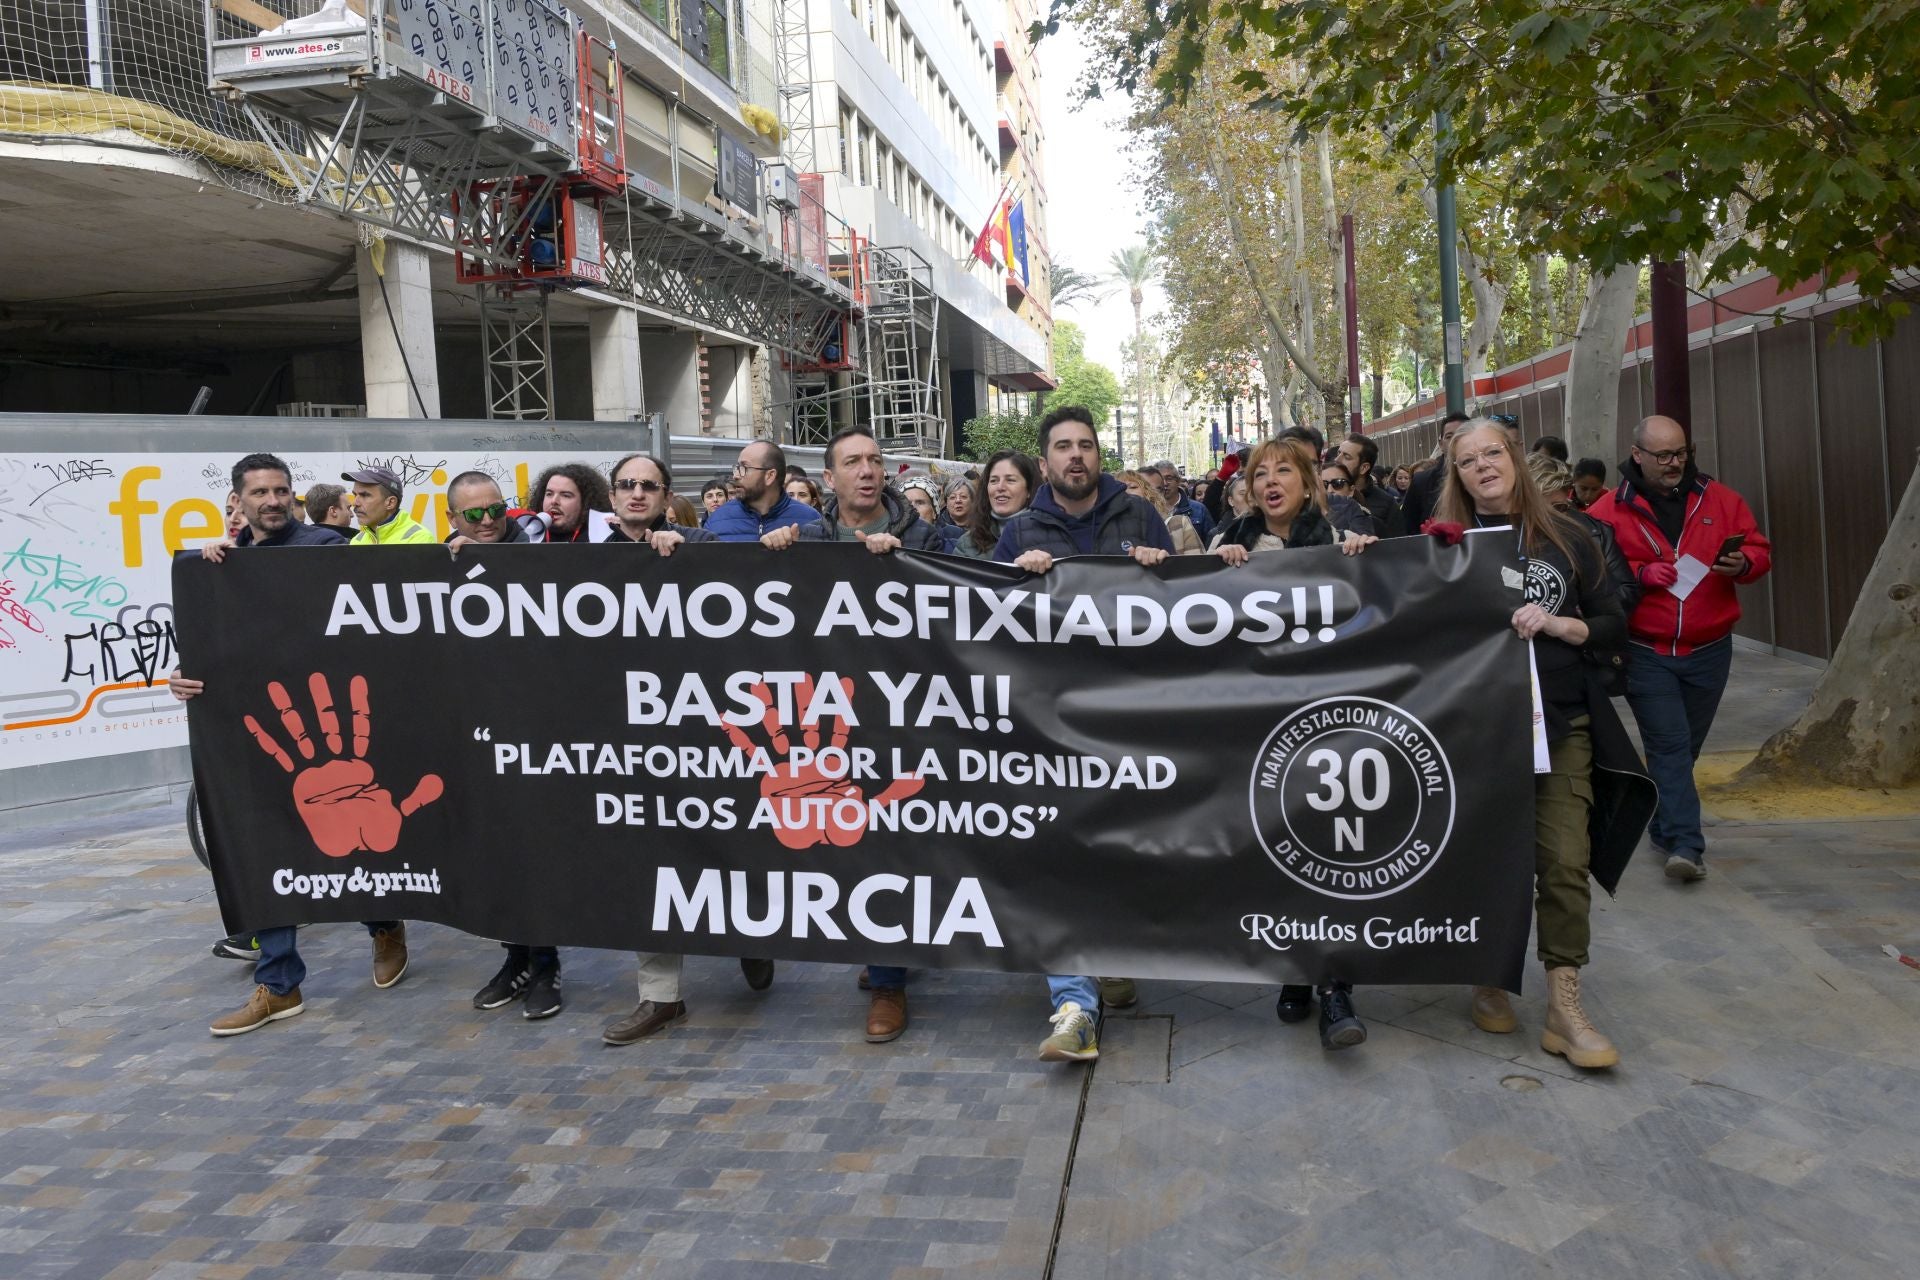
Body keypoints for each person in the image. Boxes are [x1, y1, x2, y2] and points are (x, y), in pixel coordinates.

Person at [1434, 419, 1654, 1070]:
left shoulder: (1575, 535)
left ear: (1515, 459)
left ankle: (1565, 1007)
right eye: (1468, 461)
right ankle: (1489, 976)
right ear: (1458, 476)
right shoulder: (1442, 546)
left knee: (1563, 859)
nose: (1482, 467)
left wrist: (1559, 623)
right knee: (1491, 861)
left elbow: (1614, 622)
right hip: (1478, 733)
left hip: (1563, 722)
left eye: (1492, 454)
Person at [169, 453, 411, 1037]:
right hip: (263, 731)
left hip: (328, 725)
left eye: (281, 491)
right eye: (260, 493)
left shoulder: (325, 547)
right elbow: (215, 645)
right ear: (238, 500)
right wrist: (187, 673)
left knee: (342, 844)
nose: (273, 501)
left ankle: (382, 921)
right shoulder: (222, 565)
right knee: (267, 850)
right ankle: (280, 985)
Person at [991, 405, 1176, 1064]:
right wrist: (1017, 580)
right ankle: (1074, 1003)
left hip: (1128, 714)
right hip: (1051, 721)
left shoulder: (1140, 516)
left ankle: (1113, 958)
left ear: (1099, 456)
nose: (1076, 456)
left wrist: (1162, 569)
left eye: (1086, 446)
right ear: (1045, 462)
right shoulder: (1018, 531)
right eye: (1063, 447)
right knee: (1060, 854)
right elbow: (987, 626)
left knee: (1122, 849)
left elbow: (1181, 613)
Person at [759, 429, 939, 1046]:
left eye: (875, 461)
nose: (867, 471)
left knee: (892, 839)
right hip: (827, 715)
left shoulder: (921, 537)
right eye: (852, 463)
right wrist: (766, 551)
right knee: (852, 841)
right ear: (828, 479)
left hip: (904, 710)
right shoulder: (806, 536)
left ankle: (891, 973)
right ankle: (883, 966)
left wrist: (902, 568)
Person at [597, 453, 777, 1044]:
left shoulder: (697, 542)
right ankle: (660, 996)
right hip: (631, 740)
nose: (637, 494)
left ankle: (751, 935)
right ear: (612, 496)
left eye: (649, 486)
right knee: (652, 861)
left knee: (727, 840)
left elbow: (755, 582)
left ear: (667, 495)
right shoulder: (578, 560)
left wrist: (693, 551)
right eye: (626, 485)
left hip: (710, 732)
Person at [1207, 437, 1379, 1050]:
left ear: (1309, 483)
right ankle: (1294, 972)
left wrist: (1366, 561)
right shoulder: (1228, 547)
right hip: (1253, 731)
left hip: (1322, 729)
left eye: (1284, 470)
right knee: (1276, 855)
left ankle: (1334, 986)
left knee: (1327, 855)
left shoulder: (1338, 546)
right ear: (1249, 488)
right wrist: (1211, 568)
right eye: (1260, 473)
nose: (1271, 481)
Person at [1584, 414, 1771, 882]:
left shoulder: (1720, 499)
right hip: (1645, 649)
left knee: (1685, 748)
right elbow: (1590, 572)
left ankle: (1665, 826)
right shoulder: (1608, 511)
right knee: (1668, 745)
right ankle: (1687, 845)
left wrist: (1743, 562)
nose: (1674, 463)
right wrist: (1641, 574)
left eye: (1681, 453)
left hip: (1711, 648)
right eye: (1663, 455)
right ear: (1637, 455)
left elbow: (1760, 550)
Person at [703, 440, 817, 541]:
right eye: (737, 468)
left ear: (770, 476)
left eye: (744, 468)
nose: (736, 476)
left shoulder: (810, 520)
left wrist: (796, 551)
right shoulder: (716, 521)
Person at [951, 450, 1036, 559]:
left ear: (1029, 490)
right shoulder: (967, 544)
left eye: (1010, 480)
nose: (1000, 487)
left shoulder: (1050, 536)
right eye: (994, 481)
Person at [1404, 411, 1472, 529]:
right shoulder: (1422, 482)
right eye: (1449, 436)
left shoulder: (1484, 474)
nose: (1456, 440)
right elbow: (1408, 528)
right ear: (1441, 444)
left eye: (1462, 435)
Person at [1334, 433, 1406, 537]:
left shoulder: (1386, 504)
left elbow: (1398, 546)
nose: (1337, 460)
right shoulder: (1323, 497)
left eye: (1346, 457)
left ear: (1364, 468)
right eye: (1338, 453)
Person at [342, 466, 433, 545]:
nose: (355, 503)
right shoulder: (357, 541)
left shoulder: (419, 539)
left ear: (390, 503)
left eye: (365, 495)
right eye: (355, 495)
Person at [1120, 470, 1203, 555]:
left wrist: (1166, 562)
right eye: (1119, 489)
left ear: (1148, 492)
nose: (1126, 492)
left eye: (1132, 487)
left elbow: (1198, 565)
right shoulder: (1107, 529)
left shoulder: (1179, 524)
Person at [528, 463, 610, 543]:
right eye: (549, 494)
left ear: (586, 503)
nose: (554, 501)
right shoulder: (527, 535)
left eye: (566, 495)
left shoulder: (604, 538)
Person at [1151, 457, 1216, 543]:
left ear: (1178, 481)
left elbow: (1211, 541)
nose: (1165, 483)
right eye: (1161, 479)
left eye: (1169, 478)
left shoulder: (1199, 509)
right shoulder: (1149, 509)